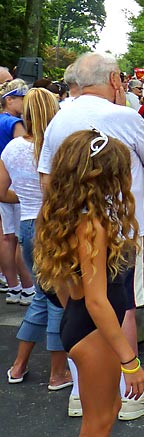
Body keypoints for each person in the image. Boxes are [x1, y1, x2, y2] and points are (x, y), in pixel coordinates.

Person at [39, 52, 144, 420]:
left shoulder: (60, 116)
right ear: (114, 80)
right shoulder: (124, 115)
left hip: (68, 228)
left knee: (79, 311)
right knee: (121, 306)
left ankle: (82, 392)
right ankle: (128, 391)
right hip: (120, 230)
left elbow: (46, 177)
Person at [34, 129, 144, 437]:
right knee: (96, 426)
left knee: (104, 416)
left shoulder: (64, 211)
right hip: (95, 331)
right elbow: (97, 301)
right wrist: (130, 359)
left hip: (82, 326)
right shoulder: (92, 222)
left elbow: (66, 288)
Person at [1, 88, 68, 387]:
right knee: (57, 298)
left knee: (42, 296)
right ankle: (57, 373)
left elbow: (1, 192)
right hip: (53, 225)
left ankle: (19, 365)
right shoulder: (58, 147)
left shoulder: (13, 148)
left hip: (27, 224)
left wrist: (25, 199)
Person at [0, 80, 32, 306]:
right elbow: (23, 155)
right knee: (20, 238)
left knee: (5, 237)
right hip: (15, 184)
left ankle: (13, 286)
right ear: (8, 100)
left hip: (1, 182)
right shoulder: (14, 123)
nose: (24, 102)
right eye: (21, 98)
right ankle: (29, 287)